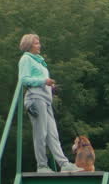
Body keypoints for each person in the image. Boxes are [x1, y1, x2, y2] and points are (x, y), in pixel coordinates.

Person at [18, 33, 80, 173]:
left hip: (45, 99)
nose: (39, 45)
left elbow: (39, 78)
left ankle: (63, 164)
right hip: (35, 98)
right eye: (36, 43)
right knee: (41, 133)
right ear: (28, 45)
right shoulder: (26, 59)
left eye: (39, 42)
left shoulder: (39, 61)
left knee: (53, 133)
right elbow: (24, 80)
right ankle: (42, 166)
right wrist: (43, 81)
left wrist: (51, 87)